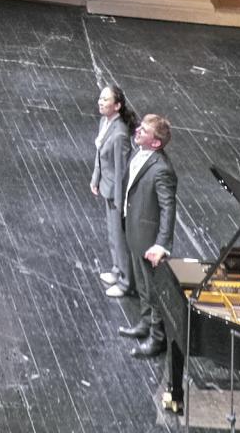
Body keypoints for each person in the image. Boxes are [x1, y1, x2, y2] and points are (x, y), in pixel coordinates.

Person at [116, 114, 181, 366]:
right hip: (135, 231)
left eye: (144, 131)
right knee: (143, 286)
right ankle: (144, 324)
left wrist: (161, 244)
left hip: (150, 241)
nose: (138, 131)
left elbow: (168, 209)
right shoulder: (139, 153)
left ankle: (157, 338)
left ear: (156, 143)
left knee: (154, 291)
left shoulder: (162, 170)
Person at [90, 85, 137, 300]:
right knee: (112, 235)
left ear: (117, 106)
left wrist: (120, 202)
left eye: (105, 100)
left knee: (120, 237)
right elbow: (100, 156)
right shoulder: (104, 122)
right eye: (100, 98)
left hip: (116, 192)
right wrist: (96, 179)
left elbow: (121, 172)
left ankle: (126, 282)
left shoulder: (119, 134)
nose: (100, 102)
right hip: (107, 187)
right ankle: (117, 270)